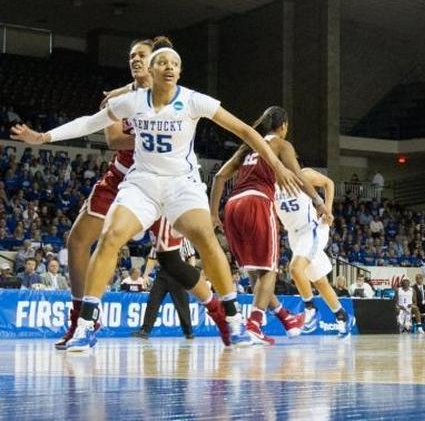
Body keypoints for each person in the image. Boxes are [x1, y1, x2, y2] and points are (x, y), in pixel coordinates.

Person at [9, 39, 309, 351]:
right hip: (141, 183)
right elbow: (91, 124)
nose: (168, 67)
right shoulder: (130, 101)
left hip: (182, 183)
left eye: (174, 64)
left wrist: (277, 164)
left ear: (178, 72)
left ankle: (232, 319)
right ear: (152, 70)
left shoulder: (193, 100)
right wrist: (44, 136)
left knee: (202, 236)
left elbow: (246, 131)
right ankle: (85, 324)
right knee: (111, 236)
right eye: (160, 63)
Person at [51, 37, 228, 349]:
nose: (136, 61)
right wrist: (156, 135)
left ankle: (220, 315)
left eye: (142, 56)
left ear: (157, 64)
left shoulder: (177, 98)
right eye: (132, 56)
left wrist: (164, 138)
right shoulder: (121, 100)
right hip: (127, 177)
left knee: (172, 261)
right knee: (78, 240)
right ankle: (83, 317)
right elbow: (113, 140)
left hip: (171, 181)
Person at [211, 105, 327, 345]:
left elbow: (219, 176)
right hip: (257, 202)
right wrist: (318, 201)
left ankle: (286, 318)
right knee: (269, 272)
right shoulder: (281, 145)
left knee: (257, 273)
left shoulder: (248, 146)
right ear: (283, 126)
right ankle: (253, 324)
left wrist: (213, 213)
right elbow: (300, 176)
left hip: (232, 206)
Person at [272, 163, 351, 337]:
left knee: (295, 268)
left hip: (312, 229)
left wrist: (327, 209)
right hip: (294, 235)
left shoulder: (303, 174)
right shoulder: (270, 181)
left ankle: (310, 309)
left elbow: (328, 183)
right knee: (320, 281)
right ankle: (342, 317)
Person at [134, 235, 195, 340]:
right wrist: (145, 275)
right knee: (153, 301)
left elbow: (191, 256)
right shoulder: (158, 239)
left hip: (179, 273)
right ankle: (145, 330)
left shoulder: (182, 238)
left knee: (182, 304)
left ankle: (188, 331)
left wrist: (190, 273)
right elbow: (152, 258)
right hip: (163, 273)